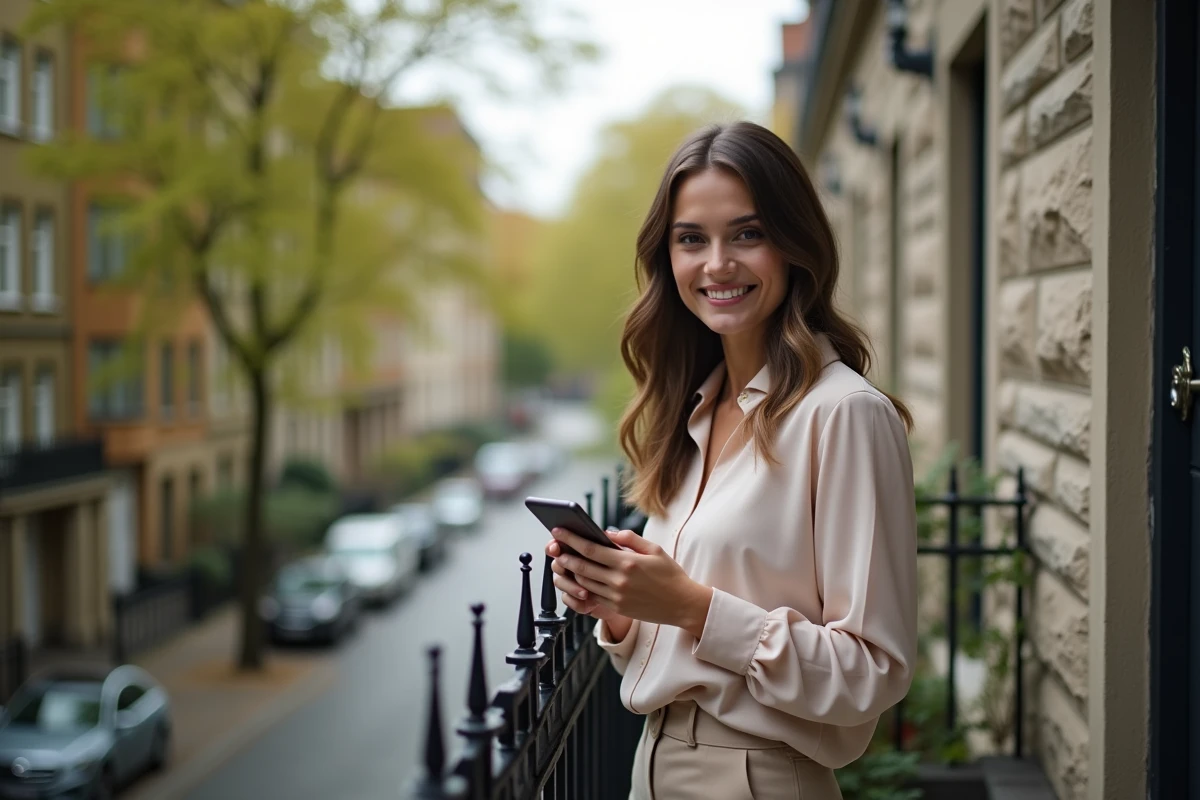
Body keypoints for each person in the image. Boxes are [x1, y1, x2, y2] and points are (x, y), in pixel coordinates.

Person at [544, 121, 918, 800]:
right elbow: (684, 644)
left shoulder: (844, 415)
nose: (717, 264)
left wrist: (692, 605)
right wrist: (623, 608)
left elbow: (871, 672)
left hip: (758, 776)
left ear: (795, 246)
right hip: (656, 765)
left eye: (747, 234)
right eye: (692, 239)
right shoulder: (695, 413)